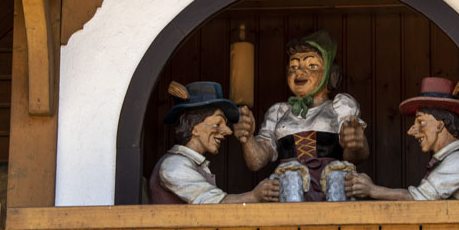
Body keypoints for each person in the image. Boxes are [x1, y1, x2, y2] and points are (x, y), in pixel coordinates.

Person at [234, 30, 368, 201]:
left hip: (332, 185)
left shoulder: (340, 107)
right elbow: (257, 162)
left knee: (337, 177)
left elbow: (355, 155)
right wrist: (247, 138)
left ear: (331, 74)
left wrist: (356, 142)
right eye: (294, 67)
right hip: (290, 187)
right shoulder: (279, 113)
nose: (300, 72)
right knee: (291, 177)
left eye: (312, 66)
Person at [346, 77, 459, 201]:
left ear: (440, 125)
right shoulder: (452, 159)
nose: (410, 131)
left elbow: (419, 200)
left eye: (420, 122)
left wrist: (372, 190)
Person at [149, 81, 279, 204]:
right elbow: (213, 203)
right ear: (193, 126)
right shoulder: (174, 165)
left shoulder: (193, 164)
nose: (228, 131)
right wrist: (254, 196)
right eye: (218, 124)